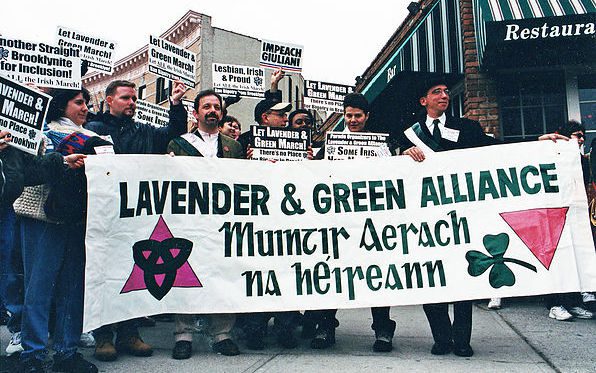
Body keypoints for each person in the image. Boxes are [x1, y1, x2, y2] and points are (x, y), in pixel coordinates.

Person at [401, 78, 567, 357]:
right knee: (433, 278)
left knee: (462, 276)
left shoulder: (466, 127)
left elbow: (496, 149)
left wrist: (536, 144)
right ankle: (441, 338)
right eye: (436, 92)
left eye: (445, 92)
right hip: (427, 217)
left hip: (463, 214)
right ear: (423, 101)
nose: (444, 96)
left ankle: (462, 340)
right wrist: (403, 154)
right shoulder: (407, 134)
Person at [85, 79, 188, 361]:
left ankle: (130, 334)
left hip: (135, 214)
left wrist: (176, 105)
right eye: (126, 98)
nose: (132, 102)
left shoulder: (142, 131)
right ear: (109, 100)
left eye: (134, 98)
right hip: (104, 213)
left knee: (133, 274)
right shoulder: (93, 129)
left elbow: (173, 134)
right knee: (105, 274)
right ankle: (103, 336)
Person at [14, 87, 106, 373]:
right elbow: (28, 171)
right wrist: (62, 161)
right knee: (38, 288)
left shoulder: (94, 138)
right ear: (60, 106)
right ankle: (33, 354)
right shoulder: (38, 133)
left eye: (87, 103)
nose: (85, 109)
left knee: (72, 287)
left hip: (77, 219)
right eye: (78, 103)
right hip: (43, 216)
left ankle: (67, 351)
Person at [309, 93, 397, 353]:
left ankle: (382, 329)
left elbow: (393, 175)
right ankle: (326, 327)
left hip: (370, 221)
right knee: (331, 271)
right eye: (349, 115)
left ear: (366, 116)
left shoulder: (380, 145)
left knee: (376, 275)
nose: (353, 120)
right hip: (337, 220)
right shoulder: (332, 142)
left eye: (358, 115)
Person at [167, 89, 242, 359]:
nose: (212, 111)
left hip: (223, 221)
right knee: (185, 273)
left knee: (222, 274)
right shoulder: (179, 144)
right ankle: (183, 333)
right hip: (190, 220)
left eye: (216, 107)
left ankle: (222, 333)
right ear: (196, 112)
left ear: (221, 113)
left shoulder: (233, 147)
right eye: (206, 106)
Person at [544, 121, 594, 321]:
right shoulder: (550, 155)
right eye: (576, 135)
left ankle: (573, 303)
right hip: (555, 215)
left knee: (575, 259)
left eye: (582, 136)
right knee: (558, 259)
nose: (581, 139)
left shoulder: (581, 161)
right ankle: (555, 304)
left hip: (575, 215)